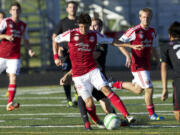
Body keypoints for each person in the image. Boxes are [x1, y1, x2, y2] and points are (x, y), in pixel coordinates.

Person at [53, 13, 143, 130]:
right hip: (78, 75)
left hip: (92, 70)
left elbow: (113, 41)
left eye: (85, 27)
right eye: (81, 27)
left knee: (106, 89)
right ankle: (96, 121)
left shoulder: (94, 35)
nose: (83, 30)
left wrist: (130, 46)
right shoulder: (71, 34)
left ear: (89, 25)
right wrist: (56, 56)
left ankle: (127, 115)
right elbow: (55, 39)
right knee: (89, 103)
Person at [112, 8, 164, 120]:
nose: (146, 19)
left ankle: (114, 84)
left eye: (148, 17)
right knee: (149, 88)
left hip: (146, 64)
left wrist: (159, 60)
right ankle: (152, 115)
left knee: (138, 89)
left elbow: (154, 48)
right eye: (143, 17)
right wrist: (128, 54)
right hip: (138, 65)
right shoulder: (134, 30)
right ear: (140, 17)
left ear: (151, 18)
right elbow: (117, 43)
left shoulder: (152, 31)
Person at [0, 2, 35, 111]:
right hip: (2, 55)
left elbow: (26, 39)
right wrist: (5, 36)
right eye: (13, 10)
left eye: (17, 10)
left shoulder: (24, 25)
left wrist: (29, 50)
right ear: (10, 11)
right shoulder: (6, 21)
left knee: (13, 77)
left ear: (20, 11)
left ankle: (10, 102)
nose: (15, 11)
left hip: (15, 56)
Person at [52, 1, 78, 107]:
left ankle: (78, 95)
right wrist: (56, 55)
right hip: (66, 54)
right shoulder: (62, 22)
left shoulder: (80, 22)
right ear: (67, 9)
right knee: (66, 76)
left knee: (77, 75)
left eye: (74, 7)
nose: (72, 9)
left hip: (78, 53)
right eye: (70, 7)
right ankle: (69, 100)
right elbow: (54, 38)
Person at [160, 21, 180, 121]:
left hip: (179, 80)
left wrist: (164, 88)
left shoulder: (166, 47)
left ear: (170, 35)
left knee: (177, 113)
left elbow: (163, 67)